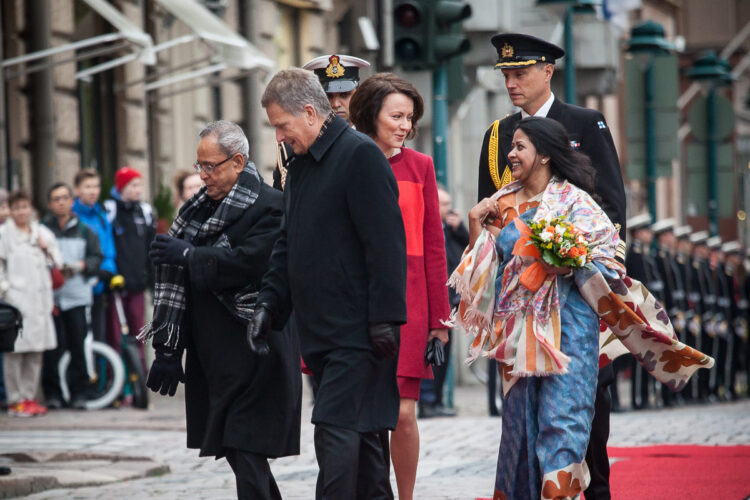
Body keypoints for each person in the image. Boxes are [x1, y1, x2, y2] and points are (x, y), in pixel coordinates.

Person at [451, 117, 712, 500]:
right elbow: (479, 277)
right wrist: (476, 226)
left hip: (571, 331)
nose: (511, 154)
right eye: (512, 146)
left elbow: (611, 263)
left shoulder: (577, 202)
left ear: (543, 156)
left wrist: (570, 261)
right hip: (518, 337)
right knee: (518, 433)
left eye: (520, 146)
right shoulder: (501, 204)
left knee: (565, 423)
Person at [476, 33, 627, 499]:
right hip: (523, 304)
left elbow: (612, 211)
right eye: (505, 75)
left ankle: (595, 491)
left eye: (520, 73)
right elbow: (492, 215)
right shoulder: (498, 136)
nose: (511, 83)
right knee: (522, 418)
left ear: (548, 71)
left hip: (577, 296)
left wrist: (590, 275)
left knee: (581, 406)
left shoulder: (584, 122)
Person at [248, 68, 407, 500]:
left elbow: (386, 244)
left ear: (309, 112)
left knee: (334, 431)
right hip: (321, 332)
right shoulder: (300, 165)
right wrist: (269, 304)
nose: (279, 136)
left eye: (282, 125)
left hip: (358, 333)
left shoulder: (359, 155)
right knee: (367, 444)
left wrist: (385, 319)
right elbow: (288, 243)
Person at [143, 120, 301, 499]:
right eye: (199, 166)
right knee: (236, 449)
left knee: (244, 445)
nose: (203, 175)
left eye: (210, 166)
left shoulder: (271, 205)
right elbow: (178, 285)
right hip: (211, 354)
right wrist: (168, 350)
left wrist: (191, 255)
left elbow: (252, 262)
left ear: (238, 161)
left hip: (257, 345)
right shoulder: (194, 211)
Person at [349, 72, 451, 500]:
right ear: (371, 115)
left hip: (410, 302)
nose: (405, 126)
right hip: (356, 301)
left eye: (410, 118)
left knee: (404, 415)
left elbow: (433, 245)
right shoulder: (347, 159)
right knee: (358, 415)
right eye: (396, 116)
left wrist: (440, 320)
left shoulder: (421, 166)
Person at [41, 182, 103, 409]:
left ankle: (79, 393)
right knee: (51, 349)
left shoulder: (85, 230)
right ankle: (53, 394)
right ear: (50, 204)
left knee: (78, 346)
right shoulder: (42, 231)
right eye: (56, 199)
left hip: (77, 296)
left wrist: (82, 265)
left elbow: (98, 258)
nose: (61, 202)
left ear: (71, 201)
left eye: (65, 198)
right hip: (51, 298)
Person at [0, 190, 61, 417]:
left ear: (31, 208)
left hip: (40, 301)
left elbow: (58, 262)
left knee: (36, 352)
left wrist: (46, 248)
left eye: (25, 206)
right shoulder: (4, 234)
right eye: (16, 207)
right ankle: (15, 400)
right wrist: (6, 291)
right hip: (15, 301)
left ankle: (29, 396)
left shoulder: (42, 232)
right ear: (11, 210)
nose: (21, 211)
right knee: (14, 352)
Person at [418, 185, 467, 418]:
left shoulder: (451, 229)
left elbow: (469, 248)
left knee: (444, 355)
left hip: (451, 299)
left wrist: (460, 229)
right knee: (433, 350)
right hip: (433, 299)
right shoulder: (426, 227)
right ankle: (427, 402)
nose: (449, 209)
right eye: (444, 204)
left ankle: (435, 401)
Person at [105, 167, 156, 369]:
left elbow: (151, 249)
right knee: (116, 334)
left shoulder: (145, 211)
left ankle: (140, 378)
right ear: (122, 187)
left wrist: (152, 280)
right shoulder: (110, 210)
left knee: (140, 332)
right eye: (133, 185)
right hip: (117, 285)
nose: (138, 189)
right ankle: (117, 381)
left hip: (138, 283)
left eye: (139, 185)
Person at [72, 169, 118, 347]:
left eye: (96, 186)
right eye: (87, 186)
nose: (93, 191)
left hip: (99, 285)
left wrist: (108, 270)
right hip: (78, 285)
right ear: (77, 190)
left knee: (100, 336)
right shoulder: (73, 216)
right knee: (79, 338)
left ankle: (100, 374)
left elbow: (109, 248)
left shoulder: (101, 215)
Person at [625, 213, 663, 410]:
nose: (650, 234)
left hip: (647, 310)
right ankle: (638, 398)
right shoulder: (634, 254)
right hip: (639, 311)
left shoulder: (643, 253)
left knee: (648, 354)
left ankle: (645, 396)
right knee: (641, 356)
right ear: (638, 233)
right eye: (647, 231)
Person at [652, 218, 688, 406]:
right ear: (663, 237)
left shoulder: (670, 258)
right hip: (662, 313)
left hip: (672, 312)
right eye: (670, 234)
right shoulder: (657, 257)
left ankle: (675, 394)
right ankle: (666, 395)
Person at [302, 53, 370, 125]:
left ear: (357, 95)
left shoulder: (371, 134)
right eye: (328, 96)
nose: (335, 104)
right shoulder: (309, 135)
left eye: (344, 95)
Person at [708, 236, 733, 400]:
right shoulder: (709, 268)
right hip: (708, 317)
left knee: (723, 354)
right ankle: (710, 389)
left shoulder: (723, 271)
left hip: (722, 317)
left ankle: (722, 387)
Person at [723, 241, 747, 399]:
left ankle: (733, 387)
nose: (738, 259)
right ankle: (726, 388)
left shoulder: (738, 274)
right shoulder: (725, 273)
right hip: (728, 320)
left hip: (738, 319)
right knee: (727, 356)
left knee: (737, 355)